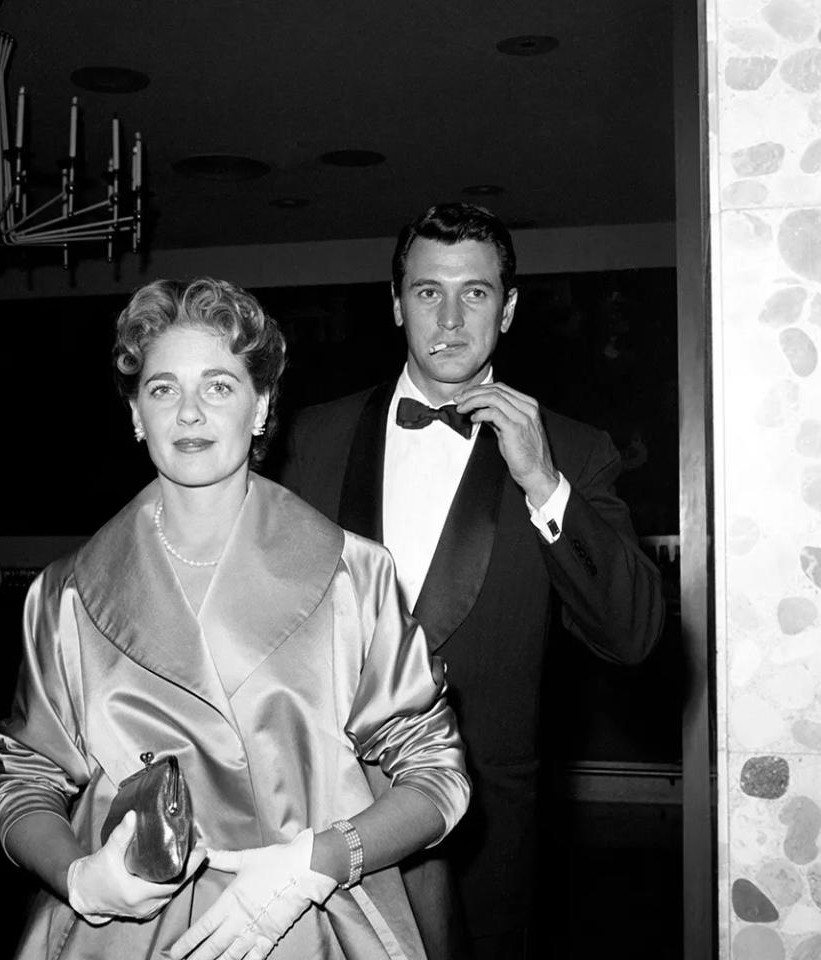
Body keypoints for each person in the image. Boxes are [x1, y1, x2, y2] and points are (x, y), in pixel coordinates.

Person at [0, 277, 470, 960]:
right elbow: (26, 779)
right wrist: (78, 876)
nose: (189, 413)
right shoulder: (65, 592)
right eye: (162, 389)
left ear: (261, 405)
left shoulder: (351, 574)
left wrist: (317, 861)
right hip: (123, 935)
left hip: (308, 923)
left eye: (218, 386)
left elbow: (436, 778)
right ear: (135, 413)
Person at [279, 202, 666, 959]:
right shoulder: (311, 437)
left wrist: (543, 481)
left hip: (485, 833)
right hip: (322, 820)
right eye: (428, 292)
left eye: (476, 293)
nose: (451, 319)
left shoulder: (574, 451)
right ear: (395, 303)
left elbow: (635, 635)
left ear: (509, 308)